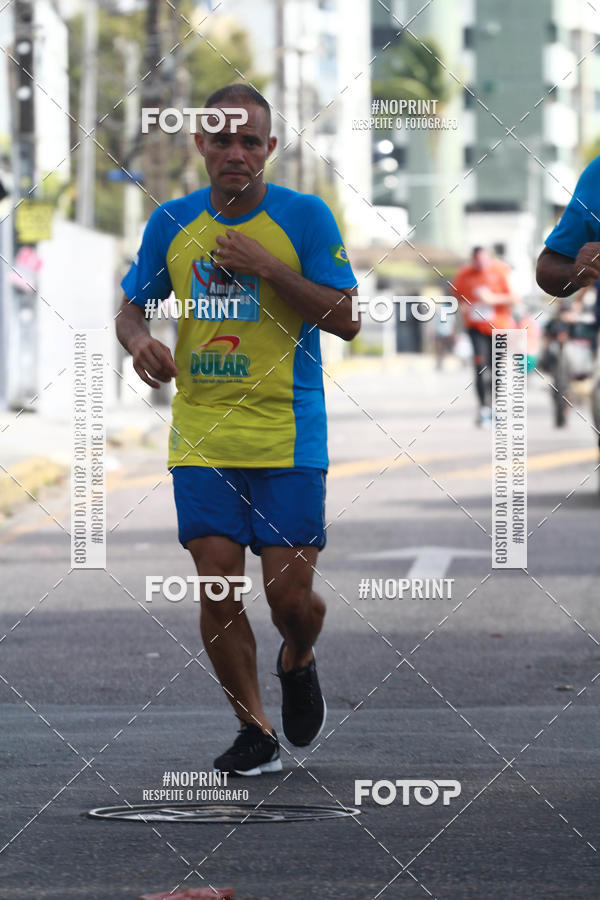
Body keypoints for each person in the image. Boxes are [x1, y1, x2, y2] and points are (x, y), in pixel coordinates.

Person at [116, 84, 360, 775]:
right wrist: (138, 343)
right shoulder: (171, 221)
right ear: (200, 144)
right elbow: (131, 309)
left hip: (287, 434)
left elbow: (345, 318)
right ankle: (255, 730)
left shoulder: (305, 217)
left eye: (249, 141)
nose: (234, 153)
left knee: (290, 599)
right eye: (220, 139)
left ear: (270, 149)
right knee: (217, 584)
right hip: (201, 436)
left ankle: (300, 654)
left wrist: (268, 267)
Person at [452, 247, 519, 425]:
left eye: (484, 261)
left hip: (499, 328)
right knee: (480, 367)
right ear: (472, 260)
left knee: (496, 368)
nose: (480, 265)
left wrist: (491, 299)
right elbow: (457, 298)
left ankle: (495, 405)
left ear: (489, 258)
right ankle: (483, 407)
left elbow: (515, 297)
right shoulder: (464, 274)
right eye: (477, 262)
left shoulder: (501, 271)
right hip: (476, 328)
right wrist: (461, 309)